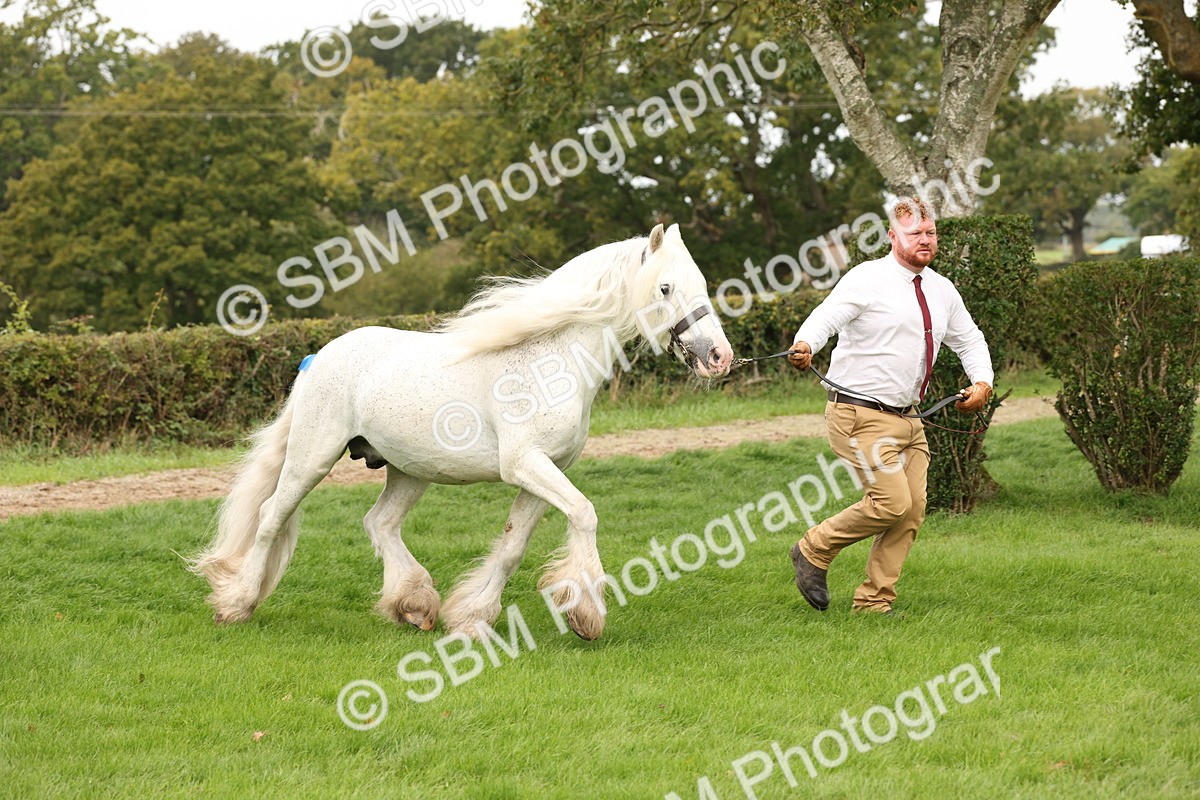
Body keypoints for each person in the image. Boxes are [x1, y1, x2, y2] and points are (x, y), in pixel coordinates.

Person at [786, 197, 993, 615]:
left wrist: (983, 381)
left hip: (910, 419)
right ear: (892, 236)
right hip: (858, 414)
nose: (925, 240)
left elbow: (968, 338)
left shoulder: (940, 287)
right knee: (891, 503)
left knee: (911, 510)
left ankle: (873, 603)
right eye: (915, 233)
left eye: (930, 232)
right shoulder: (867, 278)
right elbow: (827, 317)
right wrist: (806, 344)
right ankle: (813, 548)